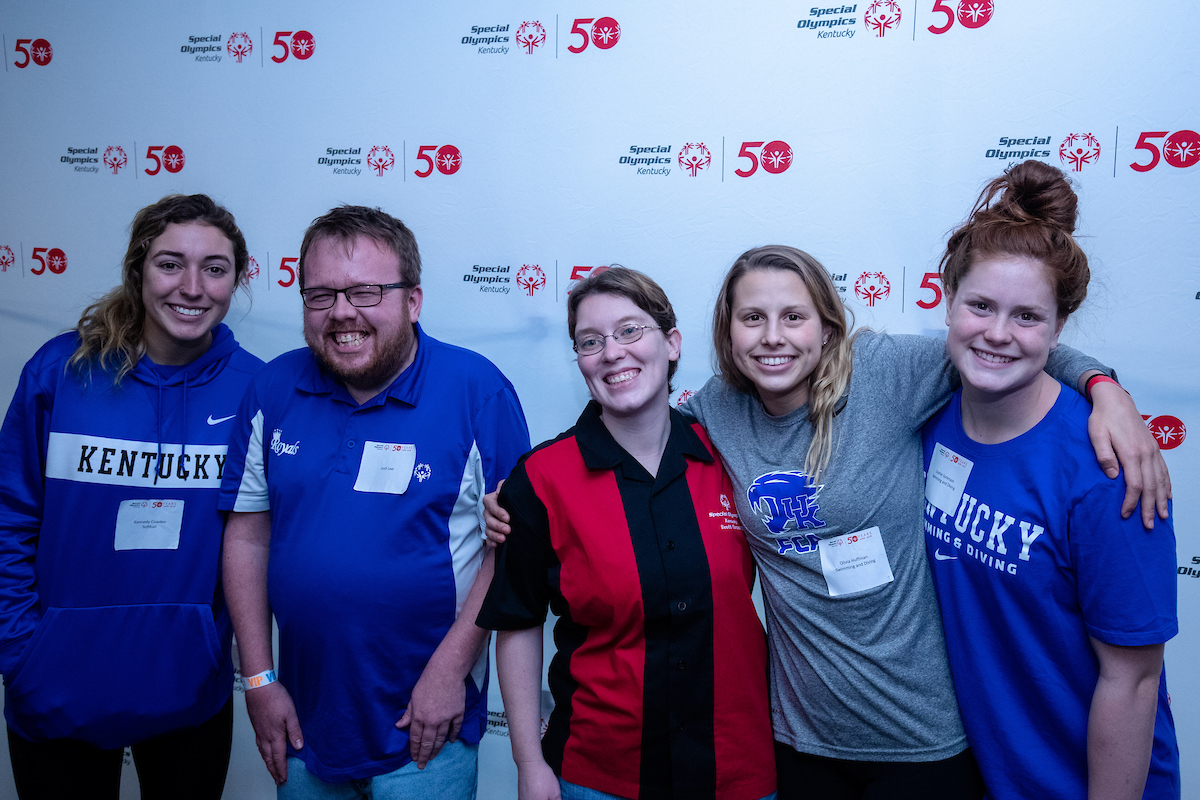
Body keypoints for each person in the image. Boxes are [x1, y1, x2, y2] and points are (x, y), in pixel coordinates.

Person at [486, 246, 1167, 799]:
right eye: (752, 318)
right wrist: (523, 496)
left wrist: (1105, 389)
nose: (773, 337)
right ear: (726, 334)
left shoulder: (885, 374)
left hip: (921, 738)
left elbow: (996, 343)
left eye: (794, 316)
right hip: (798, 742)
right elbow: (630, 416)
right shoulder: (716, 413)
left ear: (829, 326)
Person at [218, 205, 530, 799]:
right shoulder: (272, 388)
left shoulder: (477, 391)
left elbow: (512, 549)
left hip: (428, 725)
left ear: (413, 301)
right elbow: (247, 536)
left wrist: (450, 672)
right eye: (321, 295)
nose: (342, 312)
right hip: (305, 723)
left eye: (365, 292)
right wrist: (257, 679)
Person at [922, 160, 1179, 798]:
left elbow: (1133, 680)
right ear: (948, 302)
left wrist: (1106, 389)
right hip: (979, 775)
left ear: (1059, 328)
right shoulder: (927, 417)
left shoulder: (1108, 470)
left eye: (1027, 317)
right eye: (980, 306)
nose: (997, 334)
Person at [477, 267, 776, 800]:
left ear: (672, 343)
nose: (612, 352)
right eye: (590, 341)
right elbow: (518, 622)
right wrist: (528, 763)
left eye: (630, 330)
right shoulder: (541, 479)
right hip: (599, 774)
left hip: (736, 768)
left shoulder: (732, 455)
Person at [0, 194, 263, 799]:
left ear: (236, 280)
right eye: (170, 264)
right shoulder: (60, 371)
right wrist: (21, 653)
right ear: (138, 269)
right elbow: (10, 516)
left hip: (189, 691)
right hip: (55, 685)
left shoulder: (256, 389)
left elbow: (265, 538)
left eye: (214, 268)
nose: (192, 288)